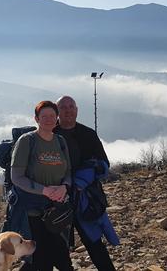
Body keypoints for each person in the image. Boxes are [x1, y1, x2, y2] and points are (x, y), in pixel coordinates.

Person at [54, 96, 118, 271]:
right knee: (58, 247)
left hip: (85, 198)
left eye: (71, 106)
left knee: (94, 242)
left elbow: (104, 164)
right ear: (57, 112)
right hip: (56, 198)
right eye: (63, 107)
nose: (68, 110)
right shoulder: (49, 134)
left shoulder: (88, 134)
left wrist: (84, 178)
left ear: (77, 110)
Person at [11, 100, 74, 271]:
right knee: (40, 260)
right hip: (33, 211)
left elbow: (68, 171)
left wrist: (64, 187)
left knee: (62, 257)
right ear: (36, 119)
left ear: (57, 119)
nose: (48, 119)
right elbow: (16, 177)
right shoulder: (27, 141)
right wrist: (44, 190)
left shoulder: (60, 141)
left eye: (52, 116)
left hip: (57, 209)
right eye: (43, 116)